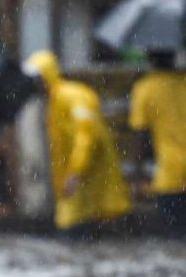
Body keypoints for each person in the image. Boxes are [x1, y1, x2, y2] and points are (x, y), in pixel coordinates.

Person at [22, 51, 133, 239]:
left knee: (73, 231)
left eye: (37, 78)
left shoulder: (72, 96)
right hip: (76, 183)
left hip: (86, 179)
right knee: (81, 232)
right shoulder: (54, 100)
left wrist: (75, 172)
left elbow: (86, 137)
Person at [129, 51, 186, 238]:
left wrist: (137, 176)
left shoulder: (145, 88)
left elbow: (139, 135)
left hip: (169, 177)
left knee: (174, 238)